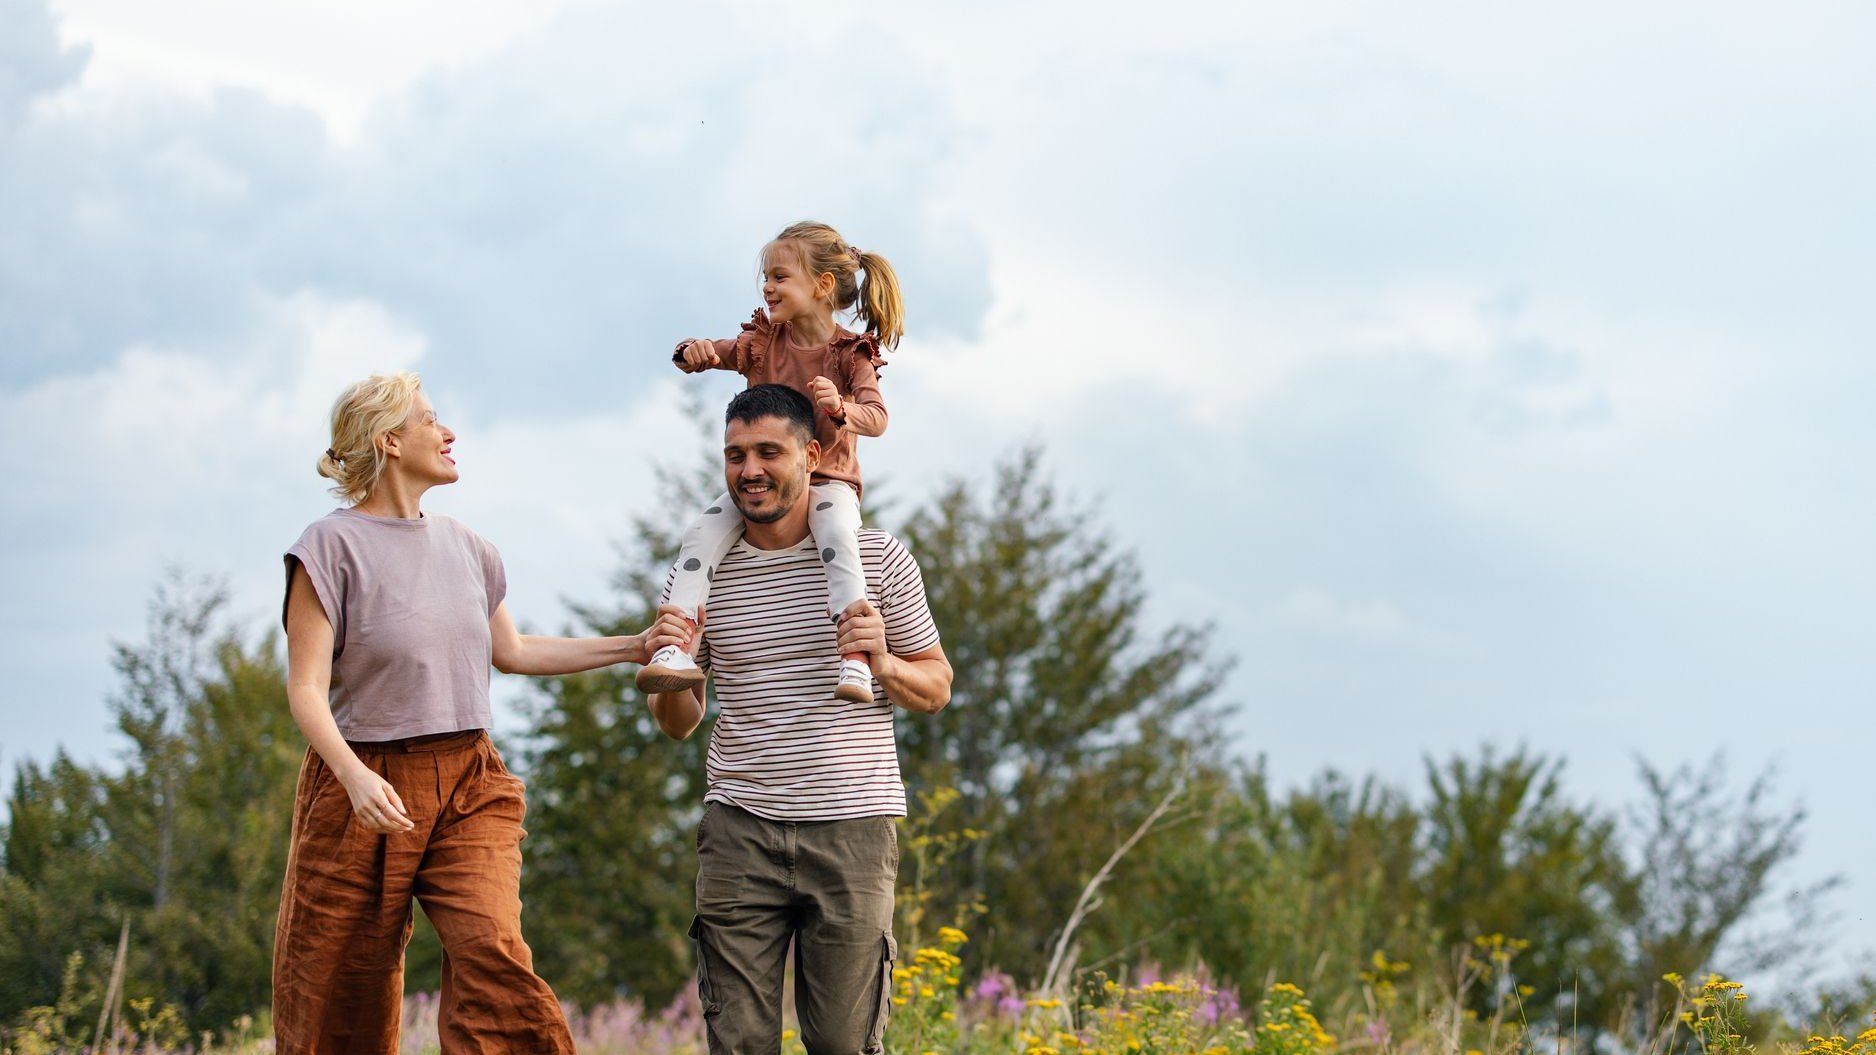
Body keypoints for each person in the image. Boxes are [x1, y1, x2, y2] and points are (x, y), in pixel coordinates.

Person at [274, 370, 689, 1055]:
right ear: (388, 440)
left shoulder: (470, 548)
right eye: (430, 420)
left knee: (491, 946)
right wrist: (351, 775)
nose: (448, 432)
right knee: (336, 990)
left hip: (468, 781)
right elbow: (306, 689)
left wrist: (635, 645)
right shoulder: (327, 548)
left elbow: (514, 650)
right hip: (361, 785)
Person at [647, 383, 953, 1055]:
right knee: (739, 1044)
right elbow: (676, 722)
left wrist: (884, 664)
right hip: (739, 827)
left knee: (843, 1044)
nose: (748, 470)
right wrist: (675, 659)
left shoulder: (877, 560)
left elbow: (936, 686)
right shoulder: (699, 574)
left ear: (811, 455)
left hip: (851, 829)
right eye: (734, 455)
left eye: (766, 452)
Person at [637, 220, 904, 704]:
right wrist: (695, 354)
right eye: (767, 277)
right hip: (767, 486)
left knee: (838, 537)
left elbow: (878, 417)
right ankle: (674, 647)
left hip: (829, 481)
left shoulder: (849, 354)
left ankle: (856, 657)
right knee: (701, 532)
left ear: (822, 286)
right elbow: (718, 352)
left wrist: (842, 409)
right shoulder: (764, 342)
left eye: (780, 277)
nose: (768, 287)